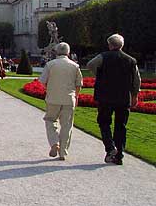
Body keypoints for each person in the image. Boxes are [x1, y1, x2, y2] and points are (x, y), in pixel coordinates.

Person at [86, 33, 141, 165]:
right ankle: (119, 155)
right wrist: (135, 95)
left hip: (105, 96)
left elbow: (90, 65)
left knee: (104, 122)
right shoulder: (131, 60)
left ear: (110, 44)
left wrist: (100, 74)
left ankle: (110, 148)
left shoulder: (103, 56)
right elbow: (137, 80)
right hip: (123, 97)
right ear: (122, 45)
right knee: (121, 126)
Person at [39, 42, 83, 160]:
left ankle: (54, 143)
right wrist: (76, 96)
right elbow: (79, 84)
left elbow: (42, 81)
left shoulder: (50, 64)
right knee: (67, 125)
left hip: (53, 98)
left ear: (56, 52)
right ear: (68, 52)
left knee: (49, 120)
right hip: (69, 98)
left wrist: (50, 89)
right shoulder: (75, 66)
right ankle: (63, 152)